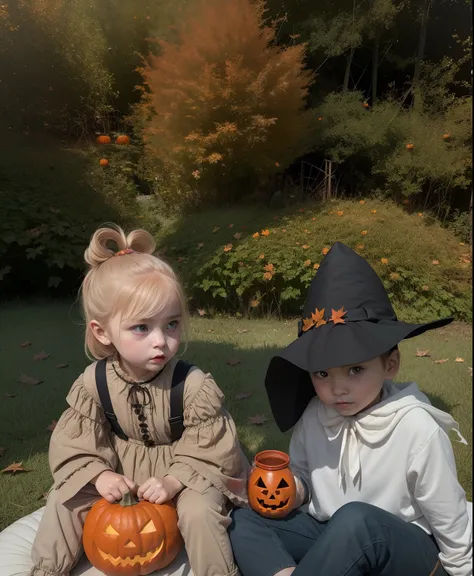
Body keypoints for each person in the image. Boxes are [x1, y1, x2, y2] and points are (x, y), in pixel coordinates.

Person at [229, 241, 472, 576]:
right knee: (244, 518)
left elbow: (449, 513)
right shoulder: (315, 415)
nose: (337, 388)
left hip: (405, 550)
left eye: (355, 370)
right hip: (335, 536)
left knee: (356, 519)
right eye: (322, 373)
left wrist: (460, 569)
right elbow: (302, 477)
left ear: (390, 365)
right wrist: (291, 490)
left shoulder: (417, 427)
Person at [30, 224, 249, 576]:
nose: (161, 341)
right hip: (121, 477)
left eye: (172, 324)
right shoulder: (94, 384)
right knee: (63, 498)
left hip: (182, 475)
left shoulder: (191, 386)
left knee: (199, 511)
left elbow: (213, 449)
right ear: (103, 332)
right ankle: (45, 570)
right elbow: (75, 444)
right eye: (142, 328)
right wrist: (98, 474)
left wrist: (174, 480)